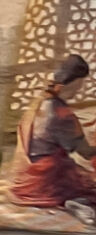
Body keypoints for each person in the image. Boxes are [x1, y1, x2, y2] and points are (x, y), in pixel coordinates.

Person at [12, 55, 96, 211]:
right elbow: (85, 152)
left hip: (27, 173)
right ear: (72, 83)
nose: (79, 89)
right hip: (44, 178)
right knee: (88, 186)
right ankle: (74, 203)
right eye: (79, 84)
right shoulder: (61, 113)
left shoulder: (40, 102)